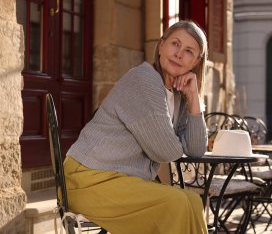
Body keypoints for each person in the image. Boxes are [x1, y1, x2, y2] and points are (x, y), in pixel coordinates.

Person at [63, 20, 209, 234]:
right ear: (161, 46)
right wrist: (175, 141)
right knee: (176, 203)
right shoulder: (145, 80)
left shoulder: (179, 95)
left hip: (121, 180)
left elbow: (196, 150)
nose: (179, 54)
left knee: (192, 202)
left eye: (188, 51)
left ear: (196, 62)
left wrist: (194, 97)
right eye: (175, 44)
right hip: (86, 178)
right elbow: (167, 152)